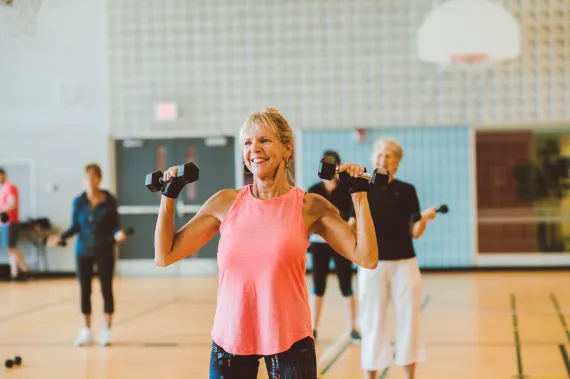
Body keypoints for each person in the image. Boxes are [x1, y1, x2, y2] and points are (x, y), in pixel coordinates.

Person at [154, 107, 379, 379]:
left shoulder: (309, 206)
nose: (254, 149)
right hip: (231, 339)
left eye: (264, 140)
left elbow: (367, 257)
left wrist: (359, 194)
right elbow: (164, 255)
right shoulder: (224, 203)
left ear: (287, 148)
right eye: (247, 142)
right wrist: (168, 196)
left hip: (290, 340)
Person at [349, 137, 438, 379]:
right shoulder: (361, 189)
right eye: (379, 154)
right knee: (372, 322)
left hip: (404, 264)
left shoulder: (407, 190)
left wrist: (424, 220)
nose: (383, 159)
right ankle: (371, 376)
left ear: (397, 162)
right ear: (372, 159)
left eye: (389, 155)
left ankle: (410, 375)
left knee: (409, 321)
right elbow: (351, 227)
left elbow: (414, 232)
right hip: (371, 265)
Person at [47, 163, 128, 347]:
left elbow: (115, 225)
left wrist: (118, 234)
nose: (90, 182)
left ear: (99, 179)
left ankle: (106, 330)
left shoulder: (109, 200)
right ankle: (86, 330)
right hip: (83, 250)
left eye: (93, 177)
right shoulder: (79, 201)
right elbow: (76, 226)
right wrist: (61, 237)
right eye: (86, 178)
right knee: (85, 290)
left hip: (105, 249)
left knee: (106, 288)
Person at [307, 150, 361, 342]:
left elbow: (353, 220)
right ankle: (313, 328)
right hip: (318, 245)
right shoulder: (313, 190)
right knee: (318, 286)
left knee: (346, 285)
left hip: (340, 243)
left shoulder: (347, 190)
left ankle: (352, 328)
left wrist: (342, 227)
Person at [0, 168, 29, 281]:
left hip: (11, 222)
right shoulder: (3, 188)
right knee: (10, 249)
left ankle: (25, 270)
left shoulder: (10, 186)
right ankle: (14, 273)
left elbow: (12, 203)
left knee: (12, 248)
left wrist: (1, 209)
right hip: (4, 223)